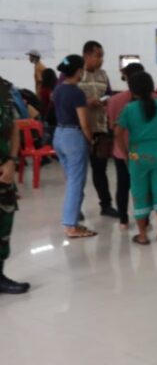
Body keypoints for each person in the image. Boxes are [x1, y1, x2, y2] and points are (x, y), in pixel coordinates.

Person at [115, 71, 157, 245]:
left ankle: (142, 235)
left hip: (136, 156)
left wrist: (125, 153)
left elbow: (117, 133)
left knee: (139, 193)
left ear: (132, 90)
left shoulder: (128, 109)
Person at [52, 55, 96, 238]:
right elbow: (84, 123)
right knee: (76, 183)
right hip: (73, 137)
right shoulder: (77, 92)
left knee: (71, 179)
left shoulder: (58, 89)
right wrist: (91, 140)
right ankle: (71, 225)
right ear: (79, 71)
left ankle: (74, 216)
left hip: (59, 135)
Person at [78, 40, 117, 219]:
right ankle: (75, 208)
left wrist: (106, 102)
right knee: (77, 172)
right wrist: (86, 102)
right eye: (98, 56)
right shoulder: (75, 74)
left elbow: (108, 94)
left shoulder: (103, 75)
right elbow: (63, 98)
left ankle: (106, 205)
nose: (101, 60)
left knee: (100, 169)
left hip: (99, 128)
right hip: (78, 129)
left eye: (102, 56)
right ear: (87, 56)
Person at [107, 62, 146, 229]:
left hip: (122, 150)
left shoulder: (115, 100)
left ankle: (123, 219)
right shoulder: (154, 99)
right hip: (145, 151)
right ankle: (145, 219)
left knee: (123, 185)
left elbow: (111, 126)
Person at [0, 77, 29, 294]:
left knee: (3, 224)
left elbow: (14, 128)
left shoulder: (4, 88)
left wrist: (11, 160)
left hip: (3, 171)